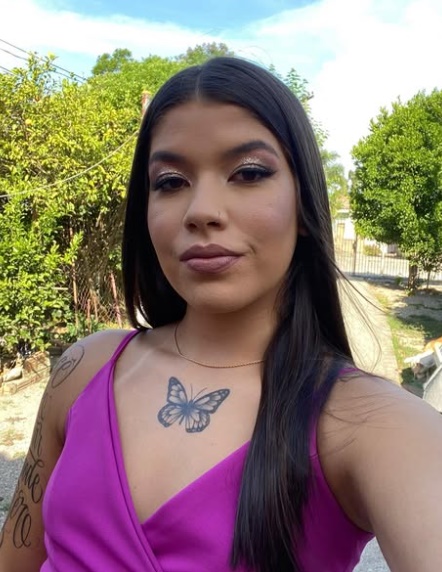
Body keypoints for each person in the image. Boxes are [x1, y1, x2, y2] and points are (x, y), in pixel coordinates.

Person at [1, 57, 442, 572]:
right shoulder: (85, 367)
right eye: (170, 182)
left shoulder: (368, 423)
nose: (201, 211)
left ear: (304, 204)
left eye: (248, 173)